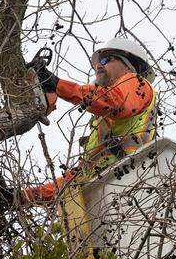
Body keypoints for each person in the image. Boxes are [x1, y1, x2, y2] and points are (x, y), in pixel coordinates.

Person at [22, 38, 158, 205]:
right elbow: (77, 178)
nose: (99, 66)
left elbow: (115, 102)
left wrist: (57, 85)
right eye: (97, 63)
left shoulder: (137, 84)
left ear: (128, 65)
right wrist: (27, 196)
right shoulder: (102, 122)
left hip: (129, 181)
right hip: (105, 192)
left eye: (106, 60)